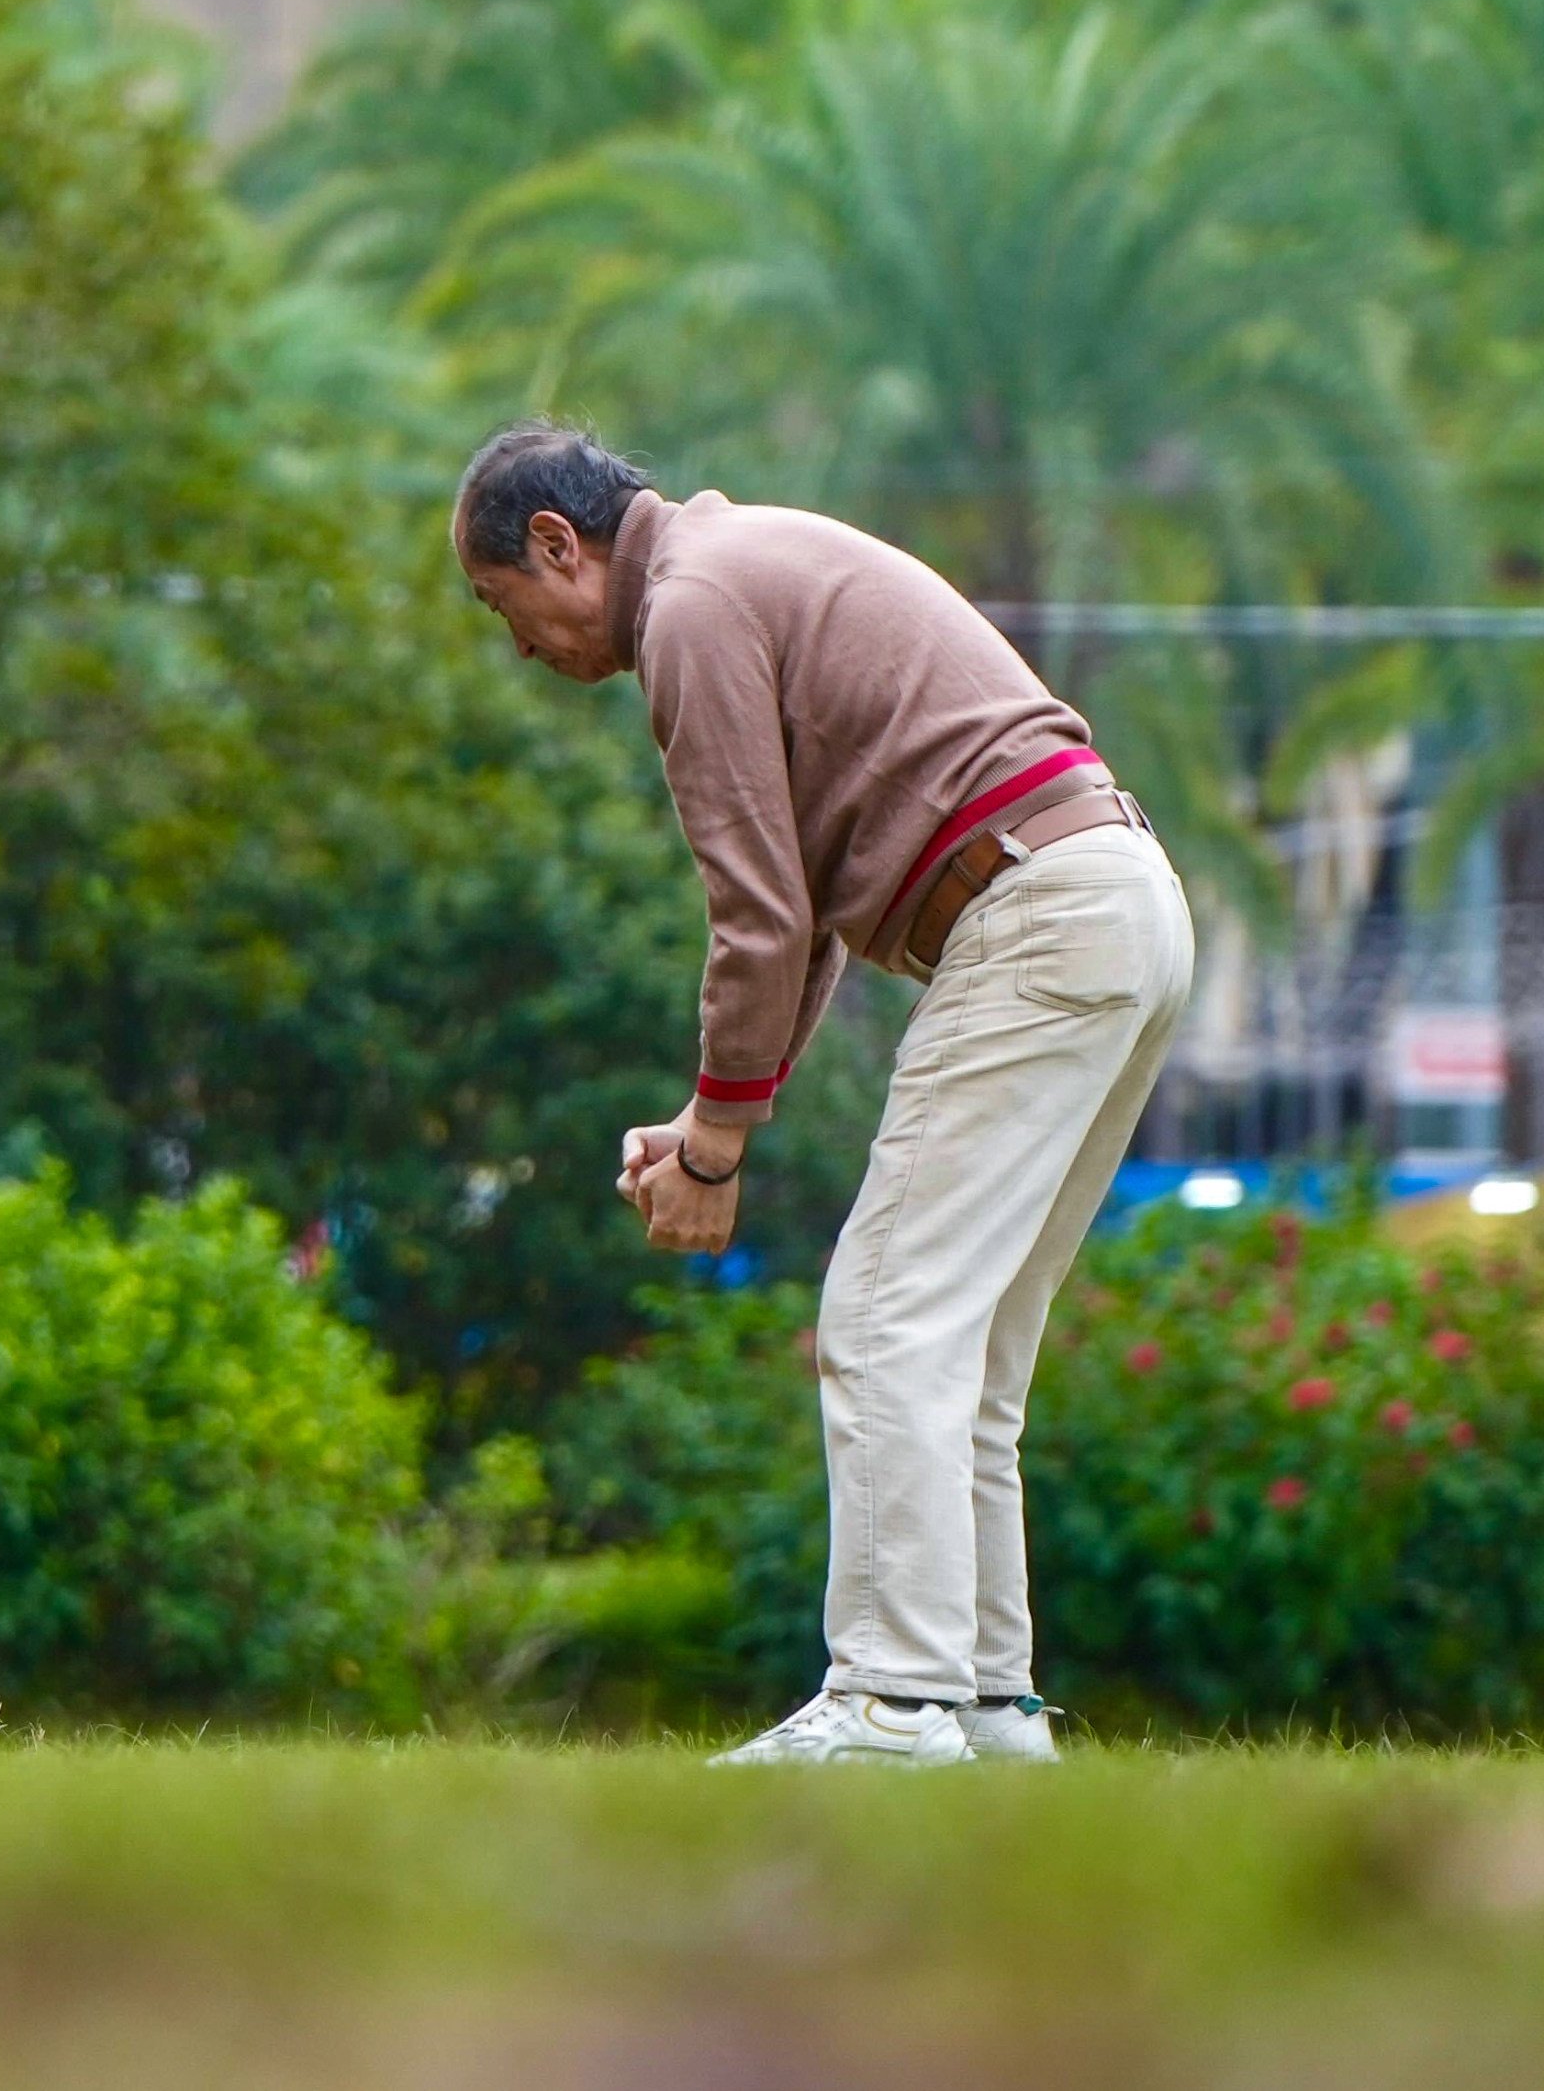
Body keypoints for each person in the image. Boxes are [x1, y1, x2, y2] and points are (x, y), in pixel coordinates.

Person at [451, 424, 1192, 1768]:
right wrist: (714, 1117)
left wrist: (717, 1152)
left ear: (560, 545)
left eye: (507, 606)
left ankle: (893, 1706)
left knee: (888, 1315)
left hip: (1037, 912)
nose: (521, 647)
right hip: (1117, 905)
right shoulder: (743, 563)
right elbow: (806, 922)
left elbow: (754, 913)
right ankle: (984, 1706)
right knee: (963, 1345)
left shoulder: (690, 608)